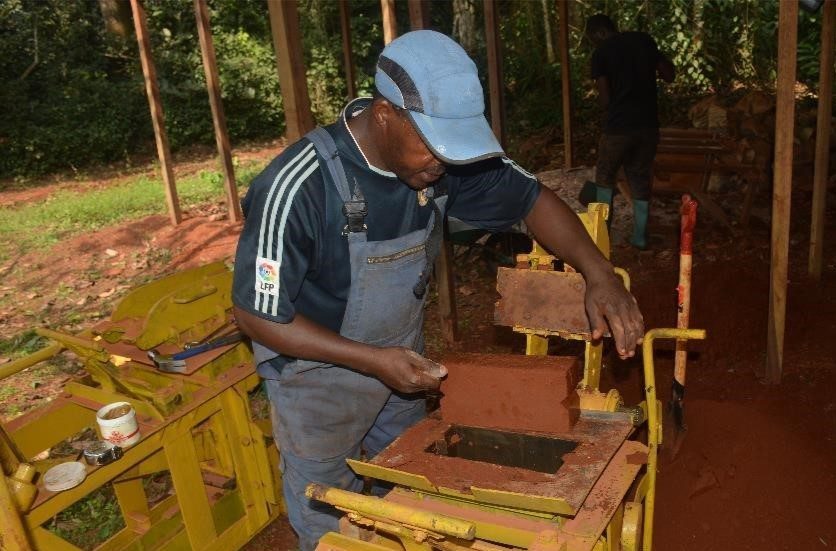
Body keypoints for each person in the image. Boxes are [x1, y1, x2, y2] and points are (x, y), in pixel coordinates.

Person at [231, 30, 644, 551]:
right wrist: (372, 360)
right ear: (385, 113)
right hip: (316, 382)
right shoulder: (298, 187)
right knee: (334, 517)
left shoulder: (441, 164)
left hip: (400, 366)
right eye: (434, 147)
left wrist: (599, 273)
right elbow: (257, 316)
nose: (443, 165)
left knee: (411, 491)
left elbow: (532, 200)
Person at [581, 14, 675, 250]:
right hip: (647, 126)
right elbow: (669, 75)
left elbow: (605, 99)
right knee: (640, 176)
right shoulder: (643, 40)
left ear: (600, 33)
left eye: (593, 38)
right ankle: (640, 237)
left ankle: (602, 238)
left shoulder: (601, 53)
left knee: (605, 177)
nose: (594, 43)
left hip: (618, 128)